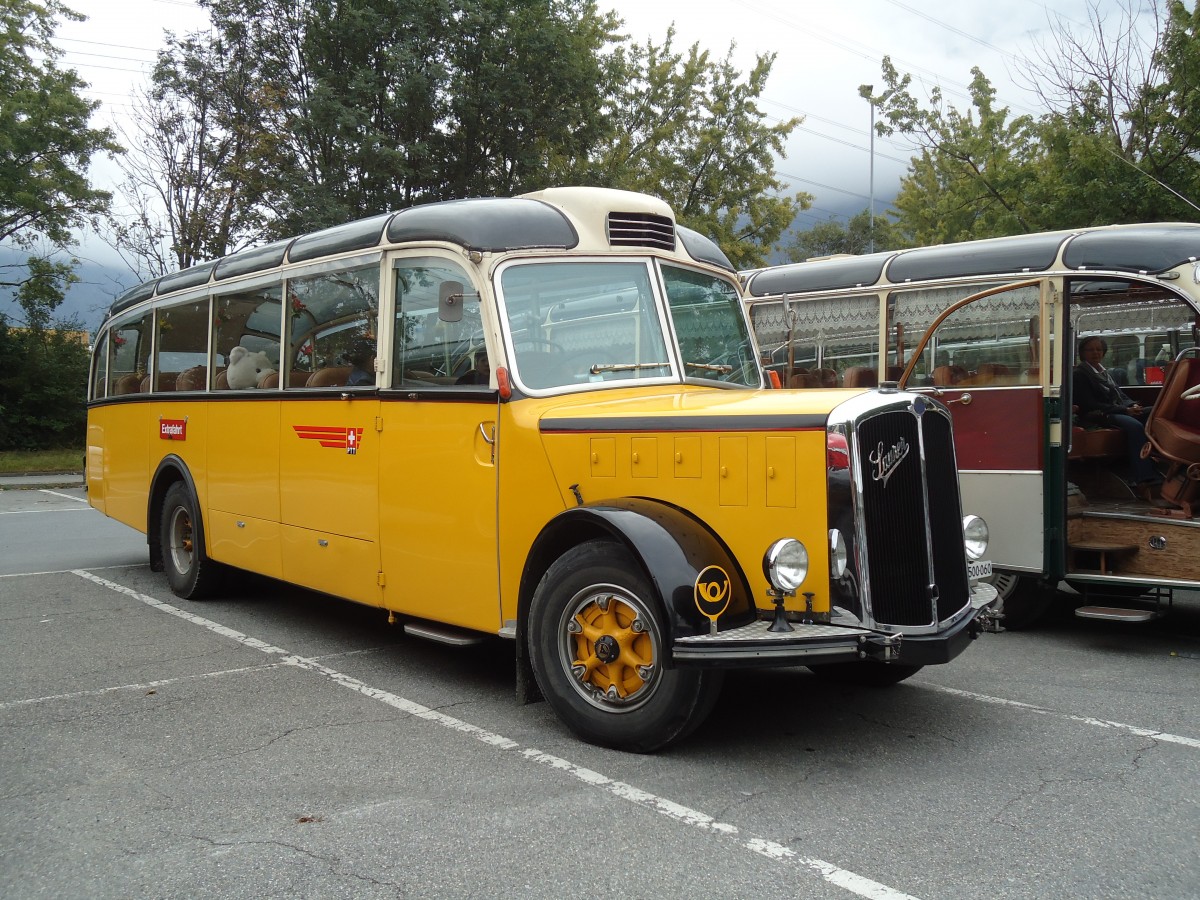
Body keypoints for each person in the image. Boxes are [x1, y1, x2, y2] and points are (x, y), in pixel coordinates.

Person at [1073, 335, 1160, 489]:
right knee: (1134, 426)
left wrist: (1132, 405)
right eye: (1090, 350)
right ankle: (1143, 476)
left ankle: (1155, 464)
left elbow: (1120, 394)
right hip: (1098, 415)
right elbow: (1089, 404)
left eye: (1099, 349)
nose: (1095, 353)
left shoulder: (1104, 372)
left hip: (1117, 410)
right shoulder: (1080, 374)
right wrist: (1125, 410)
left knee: (1155, 413)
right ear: (1082, 353)